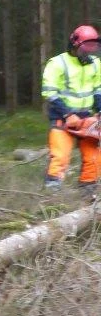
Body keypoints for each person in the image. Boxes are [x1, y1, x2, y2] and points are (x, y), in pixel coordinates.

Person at [41, 25, 101, 196]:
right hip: (62, 118)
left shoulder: (96, 64)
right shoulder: (57, 63)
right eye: (87, 46)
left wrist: (99, 110)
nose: (90, 50)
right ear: (75, 44)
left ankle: (88, 197)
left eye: (93, 46)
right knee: (59, 158)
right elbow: (49, 93)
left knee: (94, 159)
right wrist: (68, 114)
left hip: (88, 119)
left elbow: (98, 90)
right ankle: (50, 199)